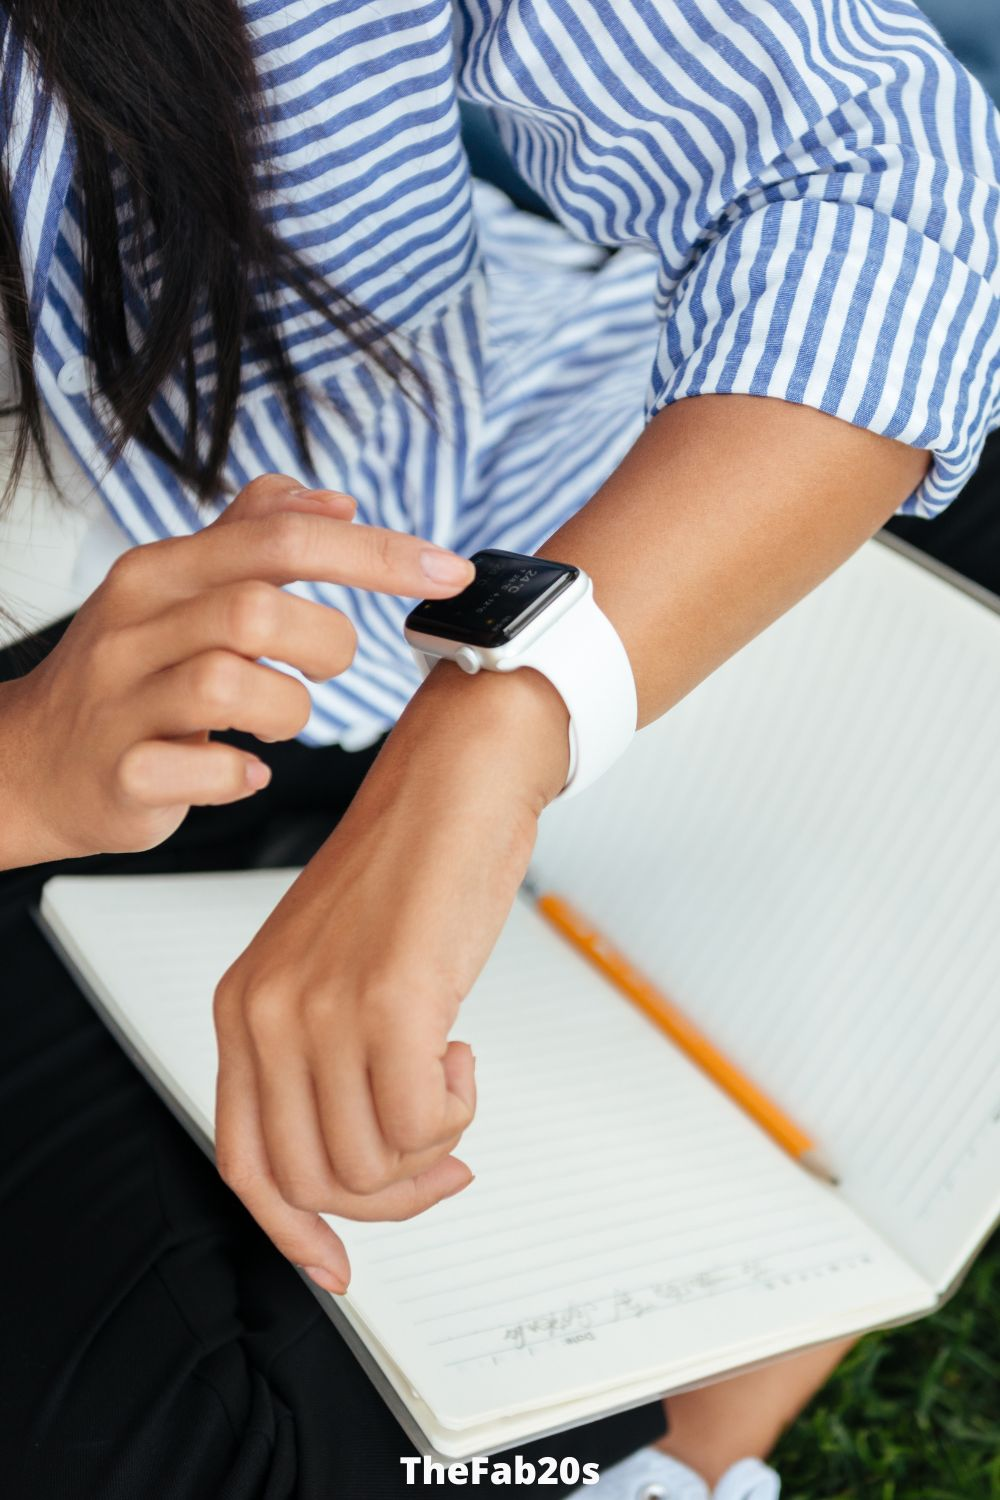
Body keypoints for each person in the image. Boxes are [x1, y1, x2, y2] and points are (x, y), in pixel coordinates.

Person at [1, 2, 997, 1497]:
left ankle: (744, 1379)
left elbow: (869, 155)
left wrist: (507, 707)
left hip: (544, 500)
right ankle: (693, 1434)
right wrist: (18, 768)